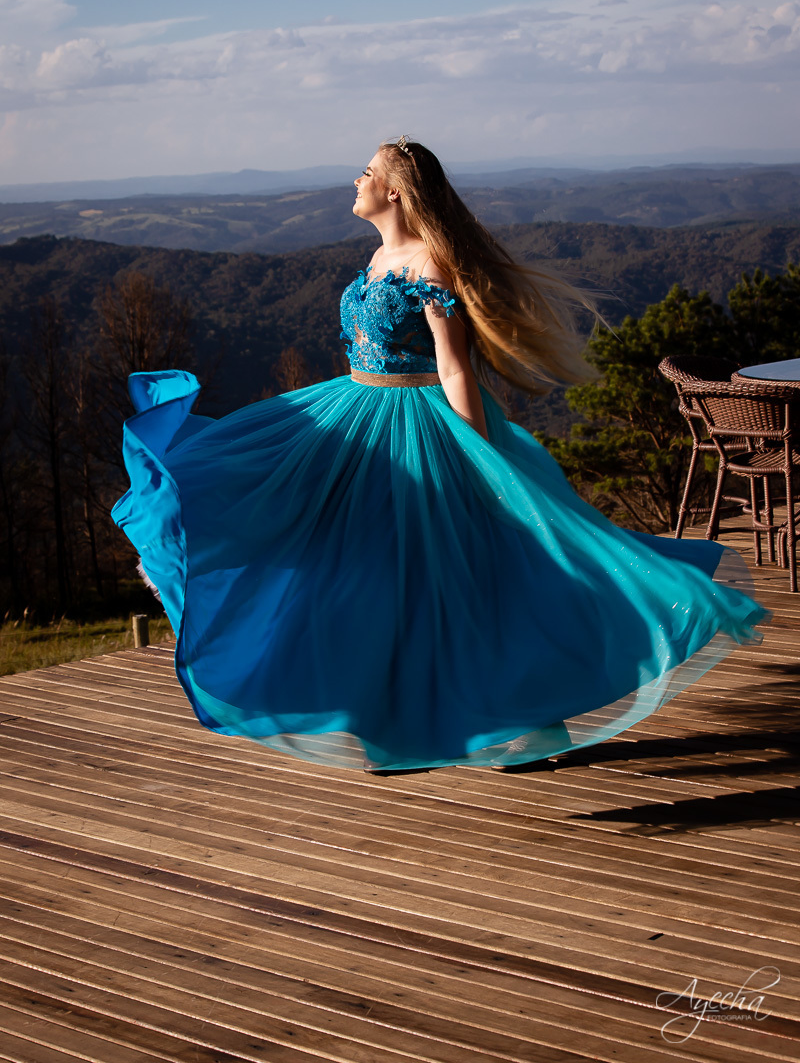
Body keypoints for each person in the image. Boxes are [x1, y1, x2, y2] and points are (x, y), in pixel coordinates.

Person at [112, 137, 768, 773]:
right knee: (367, 576)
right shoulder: (378, 257)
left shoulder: (430, 265)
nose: (357, 180)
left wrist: (477, 456)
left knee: (461, 577)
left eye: (368, 171)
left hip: (415, 431)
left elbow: (454, 368)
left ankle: (526, 719)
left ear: (396, 191)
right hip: (355, 418)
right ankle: (391, 726)